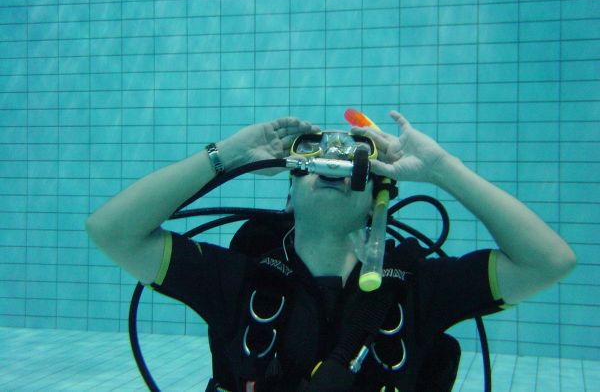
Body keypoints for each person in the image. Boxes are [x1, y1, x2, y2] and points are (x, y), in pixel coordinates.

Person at [85, 111, 576, 392]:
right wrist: (228, 155)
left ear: (379, 197)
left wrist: (442, 169)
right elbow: (111, 230)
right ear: (290, 190)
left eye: (355, 155)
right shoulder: (240, 282)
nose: (333, 161)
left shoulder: (416, 288)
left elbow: (549, 261)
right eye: (314, 152)